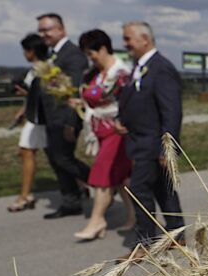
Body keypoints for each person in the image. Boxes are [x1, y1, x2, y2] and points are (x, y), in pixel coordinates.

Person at [117, 21, 185, 260]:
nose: (124, 44)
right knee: (161, 187)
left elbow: (171, 111)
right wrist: (123, 119)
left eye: (128, 39)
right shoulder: (140, 66)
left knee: (138, 189)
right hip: (139, 138)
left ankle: (144, 244)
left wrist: (168, 147)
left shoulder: (161, 68)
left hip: (153, 141)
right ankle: (177, 233)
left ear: (144, 39)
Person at [68, 29, 135, 240]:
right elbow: (95, 98)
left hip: (117, 132)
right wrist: (81, 103)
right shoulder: (97, 73)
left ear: (103, 48)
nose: (90, 58)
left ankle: (97, 220)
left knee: (101, 175)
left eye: (91, 53)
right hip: (101, 132)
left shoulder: (120, 73)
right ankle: (137, 216)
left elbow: (122, 102)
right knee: (121, 179)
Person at [36, 13, 90, 219]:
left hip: (65, 117)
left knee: (63, 158)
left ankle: (103, 182)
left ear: (61, 30)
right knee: (55, 159)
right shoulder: (52, 55)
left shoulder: (73, 55)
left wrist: (71, 122)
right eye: (41, 30)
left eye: (47, 29)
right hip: (50, 117)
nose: (43, 34)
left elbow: (75, 91)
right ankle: (71, 201)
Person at [8, 34, 51, 212]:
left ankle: (25, 196)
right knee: (55, 156)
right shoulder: (38, 69)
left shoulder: (41, 70)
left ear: (31, 51)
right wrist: (22, 111)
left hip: (39, 121)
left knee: (27, 151)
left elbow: (43, 97)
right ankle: (81, 185)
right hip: (35, 118)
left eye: (25, 50)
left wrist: (26, 96)